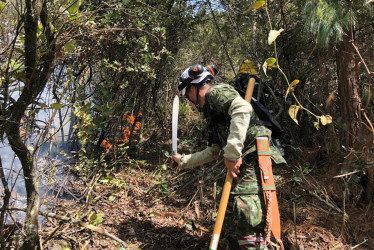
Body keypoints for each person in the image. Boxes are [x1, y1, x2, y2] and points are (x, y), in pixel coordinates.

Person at [172, 63, 286, 250]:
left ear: (193, 88)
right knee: (234, 219)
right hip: (247, 158)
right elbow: (214, 150)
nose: (189, 103)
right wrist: (183, 161)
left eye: (187, 97)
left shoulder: (215, 94)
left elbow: (242, 109)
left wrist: (232, 155)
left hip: (255, 156)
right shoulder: (212, 111)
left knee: (246, 214)